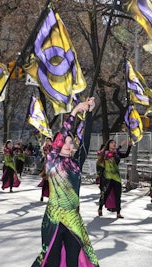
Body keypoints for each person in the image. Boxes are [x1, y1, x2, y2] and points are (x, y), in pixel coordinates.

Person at [32, 98, 99, 267]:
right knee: (52, 262)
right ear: (58, 144)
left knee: (72, 262)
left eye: (71, 142)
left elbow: (86, 141)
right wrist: (75, 111)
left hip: (73, 218)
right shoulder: (51, 160)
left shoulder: (76, 163)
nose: (69, 144)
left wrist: (89, 113)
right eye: (65, 142)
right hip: (53, 218)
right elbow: (62, 134)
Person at [98, 139, 132, 218]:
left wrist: (129, 146)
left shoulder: (116, 153)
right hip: (107, 177)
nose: (114, 144)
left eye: (115, 143)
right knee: (105, 194)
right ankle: (100, 208)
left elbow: (125, 155)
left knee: (118, 195)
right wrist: (120, 146)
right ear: (108, 145)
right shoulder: (105, 153)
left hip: (116, 177)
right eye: (112, 143)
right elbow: (108, 155)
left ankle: (118, 213)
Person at [38, 137, 52, 202]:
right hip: (46, 166)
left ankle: (50, 196)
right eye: (47, 141)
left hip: (52, 166)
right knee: (45, 182)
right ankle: (42, 195)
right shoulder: (45, 147)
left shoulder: (53, 147)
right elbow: (46, 153)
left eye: (49, 140)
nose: (47, 142)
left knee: (50, 183)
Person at [96, 144, 106, 215]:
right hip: (103, 179)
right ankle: (100, 208)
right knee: (103, 193)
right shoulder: (99, 161)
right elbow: (99, 172)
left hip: (111, 177)